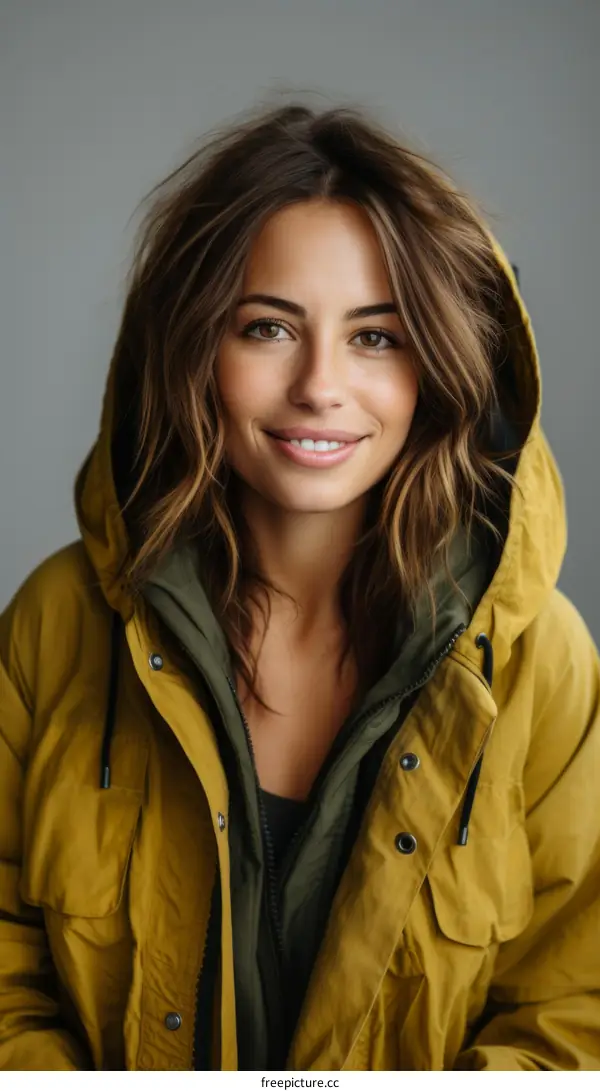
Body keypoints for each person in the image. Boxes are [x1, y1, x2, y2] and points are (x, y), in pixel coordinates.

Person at [1, 98, 599, 1074]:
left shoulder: (542, 660)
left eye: (377, 336)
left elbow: (575, 1006)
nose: (321, 384)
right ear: (195, 345)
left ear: (442, 365)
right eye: (269, 327)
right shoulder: (57, 624)